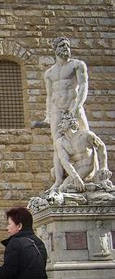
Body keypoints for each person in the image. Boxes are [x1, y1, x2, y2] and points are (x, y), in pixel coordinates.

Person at [44, 37, 90, 193]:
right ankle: (58, 180)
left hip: (74, 106)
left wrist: (77, 106)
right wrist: (48, 114)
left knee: (86, 137)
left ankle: (93, 172)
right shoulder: (49, 73)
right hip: (57, 109)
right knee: (57, 144)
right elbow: (49, 96)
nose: (66, 48)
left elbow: (83, 86)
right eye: (63, 45)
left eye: (68, 45)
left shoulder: (77, 65)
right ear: (56, 49)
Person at [55, 112, 112, 193]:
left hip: (87, 167)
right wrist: (76, 178)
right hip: (74, 167)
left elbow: (101, 146)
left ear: (71, 123)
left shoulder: (86, 135)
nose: (59, 125)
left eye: (63, 122)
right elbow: (64, 161)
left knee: (64, 188)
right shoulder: (60, 142)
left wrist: (103, 166)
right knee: (54, 172)